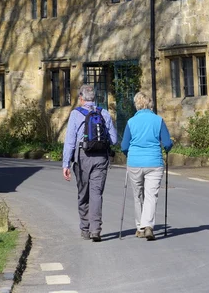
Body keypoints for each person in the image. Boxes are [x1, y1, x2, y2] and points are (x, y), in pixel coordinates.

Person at [63, 85, 117, 242]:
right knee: (96, 193)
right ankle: (96, 230)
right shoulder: (104, 113)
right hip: (101, 158)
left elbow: (70, 141)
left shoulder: (75, 114)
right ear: (94, 98)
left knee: (83, 193)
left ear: (81, 98)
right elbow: (113, 139)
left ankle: (85, 229)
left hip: (82, 156)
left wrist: (66, 164)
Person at [121, 91, 172, 241]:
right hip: (154, 163)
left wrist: (129, 155)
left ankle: (140, 228)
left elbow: (124, 146)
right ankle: (148, 225)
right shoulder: (158, 120)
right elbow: (167, 143)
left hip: (135, 163)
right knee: (151, 195)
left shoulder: (131, 122)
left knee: (137, 195)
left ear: (136, 105)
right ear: (150, 104)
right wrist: (168, 148)